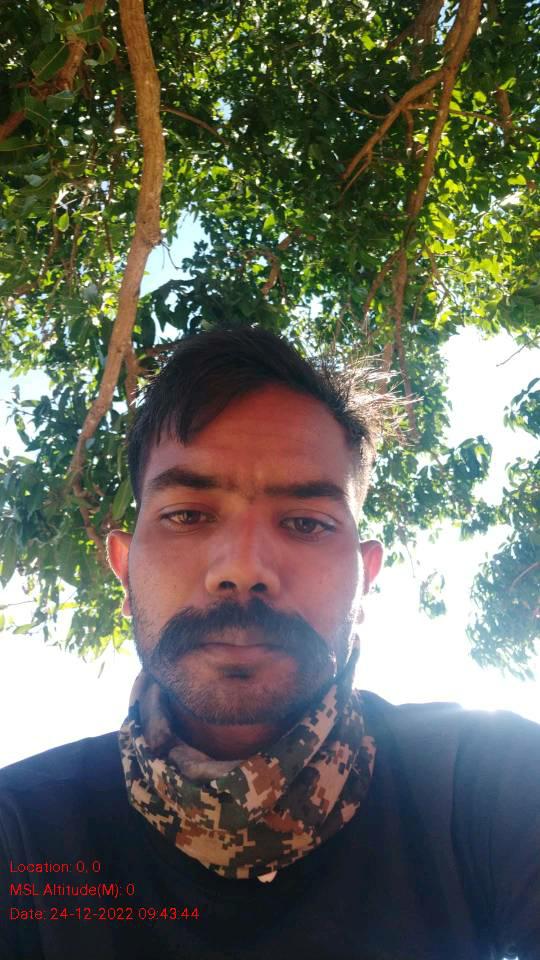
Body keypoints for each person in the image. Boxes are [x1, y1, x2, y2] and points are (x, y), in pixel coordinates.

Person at [0, 326, 539, 960]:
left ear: (365, 578)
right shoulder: (23, 834)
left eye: (306, 522)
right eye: (187, 515)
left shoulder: (488, 784)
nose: (244, 568)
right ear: (124, 570)